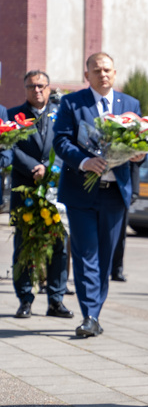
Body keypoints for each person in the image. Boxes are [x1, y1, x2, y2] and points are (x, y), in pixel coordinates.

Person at [53, 52, 144, 338]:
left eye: (107, 70)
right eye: (97, 70)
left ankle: (95, 312)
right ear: (87, 75)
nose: (103, 74)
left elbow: (139, 142)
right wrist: (84, 161)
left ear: (115, 73)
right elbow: (61, 140)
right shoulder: (72, 102)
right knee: (85, 254)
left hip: (115, 193)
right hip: (80, 193)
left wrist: (138, 154)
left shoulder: (130, 104)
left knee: (106, 257)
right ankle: (89, 314)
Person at [9, 70, 73, 319]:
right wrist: (32, 167)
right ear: (25, 88)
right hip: (24, 189)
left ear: (49, 88)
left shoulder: (61, 113)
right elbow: (9, 145)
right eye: (31, 86)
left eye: (41, 86)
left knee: (59, 246)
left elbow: (66, 144)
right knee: (24, 245)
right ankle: (25, 298)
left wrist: (49, 168)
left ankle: (56, 300)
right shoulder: (14, 115)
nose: (36, 90)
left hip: (55, 189)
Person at [111, 160, 139, 282]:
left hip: (123, 191)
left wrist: (134, 192)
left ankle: (117, 269)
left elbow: (136, 164)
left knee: (120, 234)